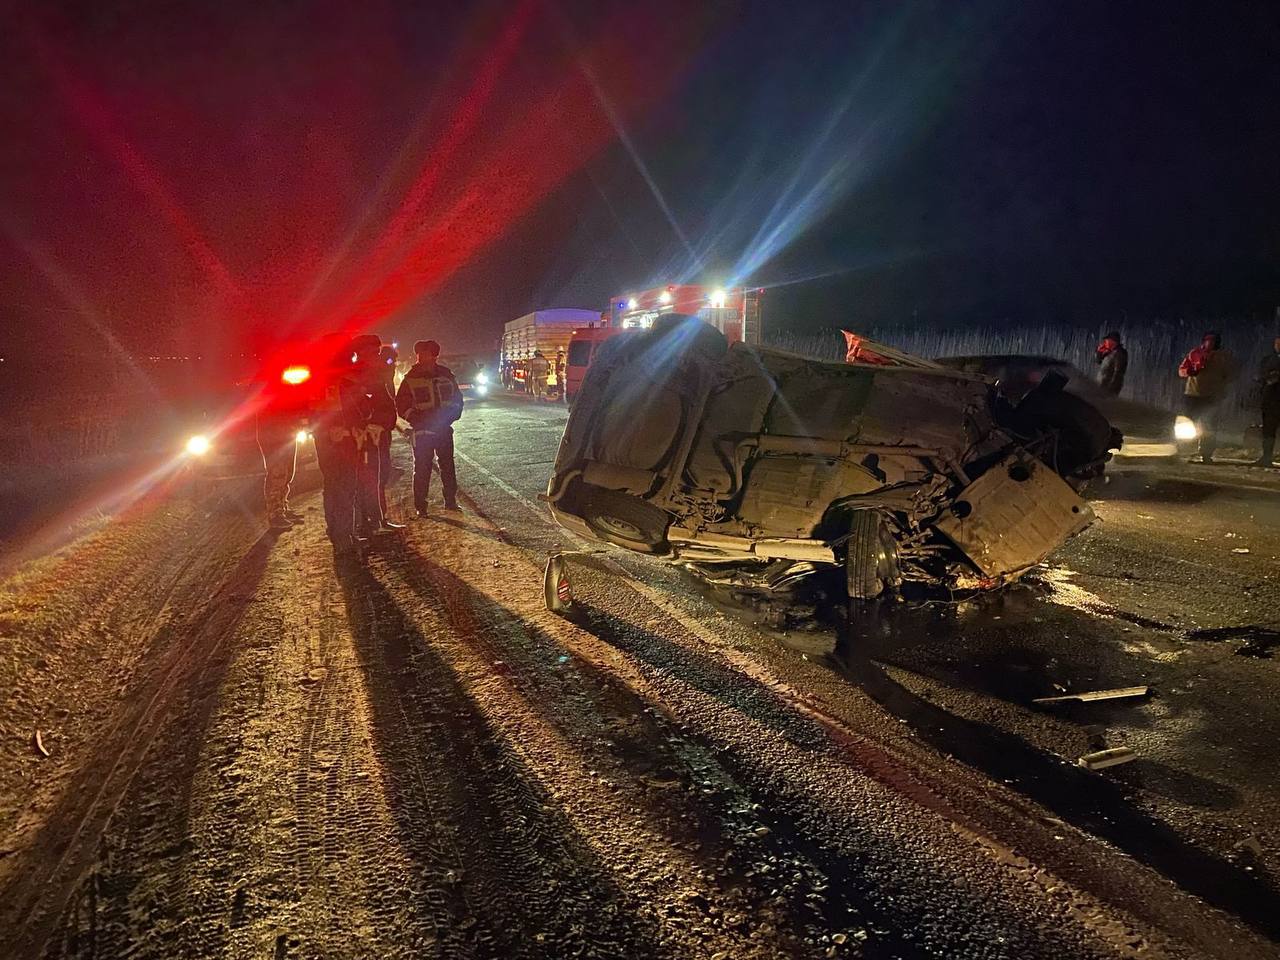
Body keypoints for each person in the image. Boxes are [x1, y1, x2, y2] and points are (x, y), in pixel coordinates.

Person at [396, 340, 464, 515]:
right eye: (419, 354)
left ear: (434, 355)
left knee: (447, 467)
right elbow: (402, 404)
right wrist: (416, 420)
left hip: (443, 429)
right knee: (422, 469)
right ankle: (421, 506)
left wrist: (452, 416)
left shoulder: (446, 375)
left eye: (423, 353)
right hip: (422, 432)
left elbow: (457, 399)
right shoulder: (410, 378)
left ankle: (450, 501)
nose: (419, 357)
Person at [312, 337, 364, 555]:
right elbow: (355, 411)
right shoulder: (344, 381)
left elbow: (313, 412)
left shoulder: (318, 380)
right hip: (342, 440)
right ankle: (344, 537)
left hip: (325, 440)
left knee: (332, 487)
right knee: (345, 488)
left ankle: (337, 532)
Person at [1178, 331, 1238, 463]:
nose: (1210, 343)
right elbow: (1181, 370)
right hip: (1192, 394)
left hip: (1212, 396)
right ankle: (1182, 451)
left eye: (1213, 340)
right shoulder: (1194, 353)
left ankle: (1206, 454)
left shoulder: (1224, 357)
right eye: (1207, 340)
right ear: (1203, 341)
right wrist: (1189, 371)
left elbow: (1231, 375)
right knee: (1187, 423)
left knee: (1209, 426)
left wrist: (1221, 387)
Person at [1255, 336, 1280, 467]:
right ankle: (1266, 457)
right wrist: (1270, 377)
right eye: (1277, 343)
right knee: (1268, 430)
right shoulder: (1268, 360)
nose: (1278, 346)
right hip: (1270, 400)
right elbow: (1259, 376)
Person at [1095, 331, 1128, 395]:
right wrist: (1099, 353)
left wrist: (1110, 390)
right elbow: (1098, 361)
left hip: (1107, 389)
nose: (1105, 342)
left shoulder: (1119, 353)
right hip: (1101, 386)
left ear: (1112, 341)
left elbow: (1118, 373)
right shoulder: (1109, 352)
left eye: (1107, 340)